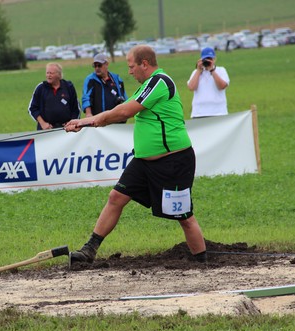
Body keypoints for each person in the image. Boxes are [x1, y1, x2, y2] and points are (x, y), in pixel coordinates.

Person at [64, 45, 207, 265]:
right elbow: (120, 110)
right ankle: (89, 250)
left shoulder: (160, 82)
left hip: (173, 162)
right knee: (116, 198)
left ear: (145, 64)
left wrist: (89, 122)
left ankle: (202, 263)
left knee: (184, 218)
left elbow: (124, 112)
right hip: (144, 162)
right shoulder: (148, 85)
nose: (130, 72)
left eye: (132, 67)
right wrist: (83, 121)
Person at [28, 62, 80, 130]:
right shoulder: (40, 88)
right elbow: (32, 108)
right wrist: (43, 123)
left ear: (59, 75)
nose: (48, 75)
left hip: (67, 130)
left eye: (51, 73)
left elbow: (76, 109)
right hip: (46, 130)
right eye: (47, 73)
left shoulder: (68, 87)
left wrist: (71, 123)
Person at [186, 47, 229, 118]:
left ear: (214, 59)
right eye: (206, 59)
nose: (208, 61)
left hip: (218, 112)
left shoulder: (221, 70)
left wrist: (212, 70)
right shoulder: (196, 72)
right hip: (199, 113)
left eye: (210, 59)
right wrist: (198, 71)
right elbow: (191, 87)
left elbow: (222, 86)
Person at [81, 53, 128, 119]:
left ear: (106, 64)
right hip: (98, 119)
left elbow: (124, 96)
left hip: (116, 119)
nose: (97, 68)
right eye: (95, 66)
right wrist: (88, 114)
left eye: (99, 65)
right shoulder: (90, 80)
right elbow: (86, 97)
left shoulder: (116, 79)